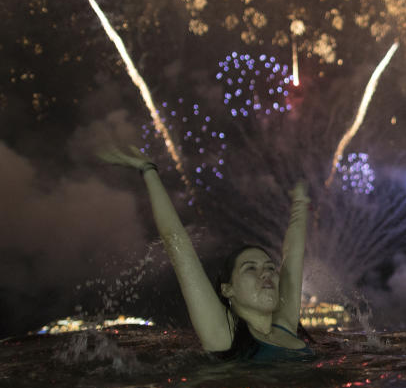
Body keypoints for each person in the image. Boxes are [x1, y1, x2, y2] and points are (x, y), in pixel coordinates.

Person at [99, 146, 314, 361]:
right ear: (228, 290)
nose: (266, 273)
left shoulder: (285, 326)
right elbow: (177, 242)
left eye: (269, 267)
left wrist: (301, 201)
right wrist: (148, 169)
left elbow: (293, 255)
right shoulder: (223, 334)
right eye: (250, 268)